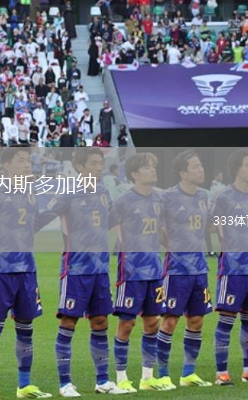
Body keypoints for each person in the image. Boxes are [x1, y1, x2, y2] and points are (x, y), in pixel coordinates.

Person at [36, 148, 130, 397]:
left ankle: (103, 381)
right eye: (94, 163)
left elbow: (109, 221)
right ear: (79, 166)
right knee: (69, 321)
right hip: (76, 268)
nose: (99, 168)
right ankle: (65, 383)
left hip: (100, 268)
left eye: (101, 163)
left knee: (100, 322)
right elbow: (45, 216)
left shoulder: (103, 192)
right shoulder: (68, 192)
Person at [0, 145, 52, 400]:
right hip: (1, 269)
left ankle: (24, 385)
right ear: (7, 165)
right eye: (21, 160)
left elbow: (32, 223)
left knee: (26, 328)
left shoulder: (30, 191)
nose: (27, 164)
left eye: (28, 160)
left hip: (27, 269)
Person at [109, 153, 168, 392]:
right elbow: (104, 226)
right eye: (147, 167)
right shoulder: (123, 201)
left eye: (153, 166)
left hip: (155, 270)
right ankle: (121, 377)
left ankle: (147, 378)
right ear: (134, 174)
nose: (153, 170)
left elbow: (162, 231)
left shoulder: (159, 199)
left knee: (152, 323)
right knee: (127, 323)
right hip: (131, 271)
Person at [156, 150, 213, 389]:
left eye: (201, 165)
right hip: (176, 270)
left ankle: (189, 373)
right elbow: (158, 227)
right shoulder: (167, 197)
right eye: (196, 166)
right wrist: (172, 245)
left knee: (197, 320)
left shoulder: (205, 196)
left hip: (199, 268)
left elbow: (213, 223)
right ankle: (162, 374)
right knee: (170, 321)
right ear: (183, 173)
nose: (201, 170)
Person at [210, 148, 248, 385]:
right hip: (233, 267)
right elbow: (210, 224)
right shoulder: (224, 197)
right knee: (226, 320)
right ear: (236, 168)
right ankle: (221, 373)